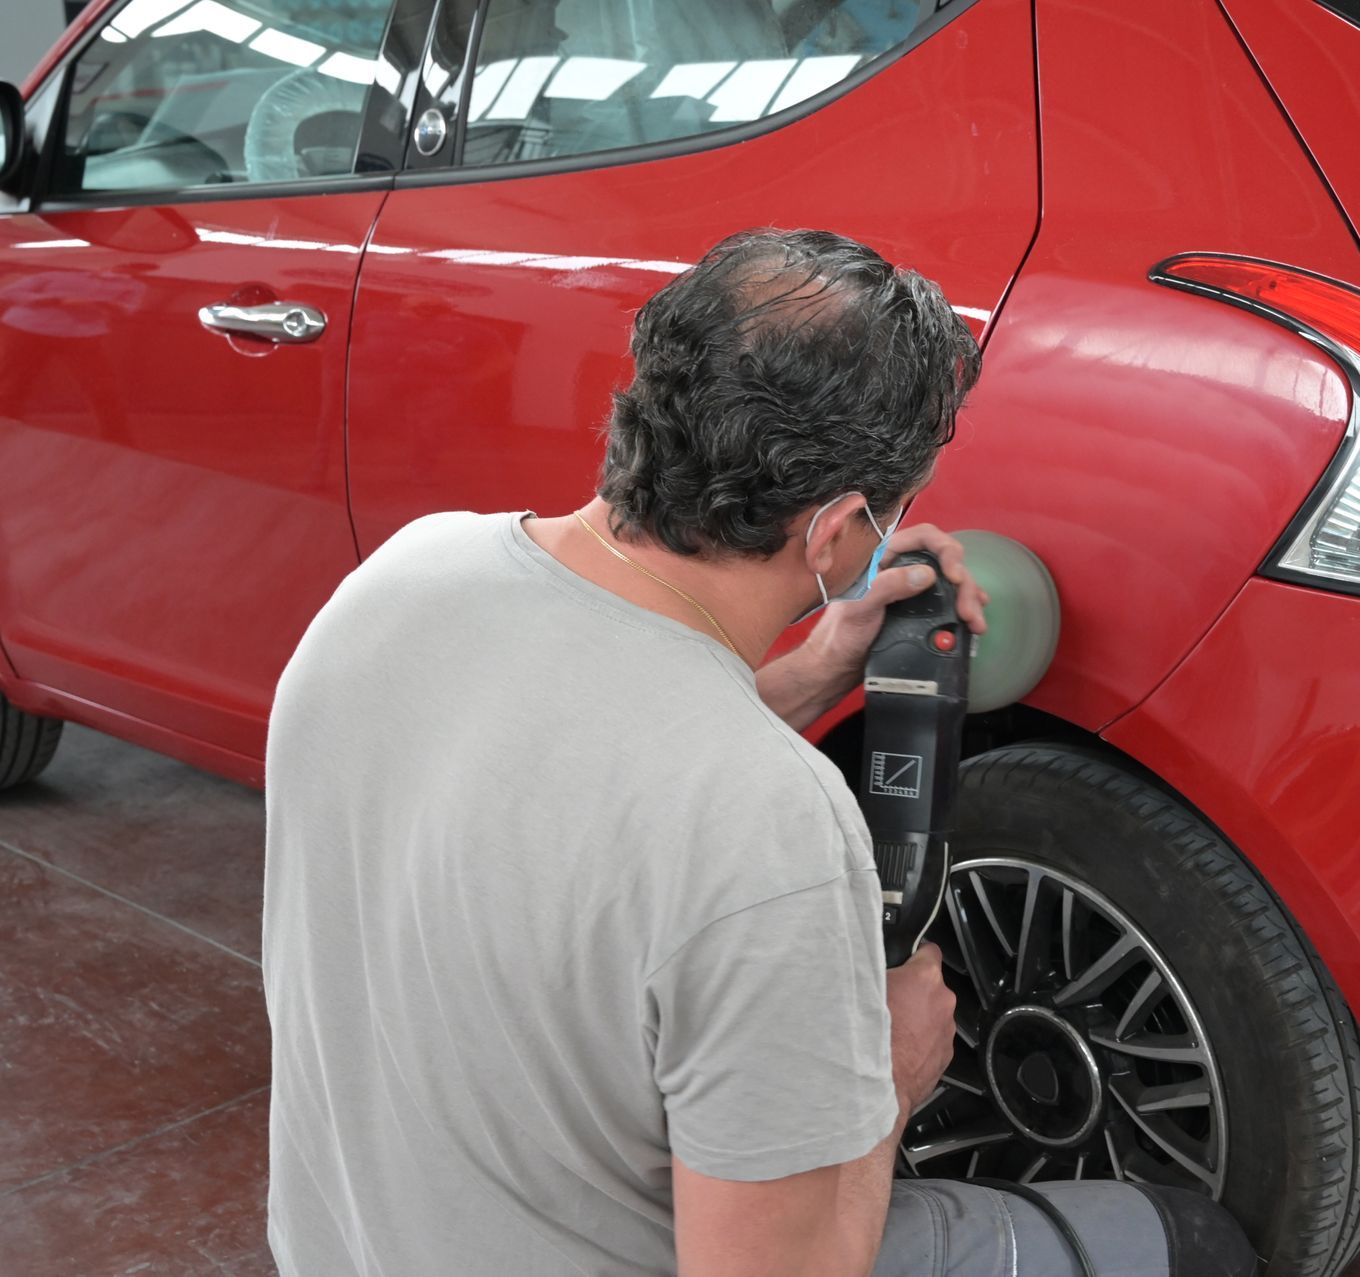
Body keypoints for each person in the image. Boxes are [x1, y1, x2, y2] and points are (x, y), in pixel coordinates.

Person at [261, 228, 1256, 1276]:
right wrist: (888, 1080)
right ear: (834, 537)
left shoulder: (399, 577)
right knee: (1187, 1245)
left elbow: (594, 768)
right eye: (893, 510)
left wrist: (822, 662)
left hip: (348, 1244)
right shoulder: (770, 825)